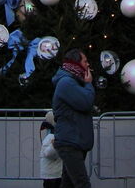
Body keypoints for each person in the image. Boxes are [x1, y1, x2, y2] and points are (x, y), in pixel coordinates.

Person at [51, 48, 95, 188]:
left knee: (68, 184)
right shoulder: (66, 83)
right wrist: (88, 84)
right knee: (82, 183)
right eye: (85, 61)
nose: (88, 64)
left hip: (75, 141)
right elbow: (86, 102)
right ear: (76, 63)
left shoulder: (73, 82)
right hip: (70, 142)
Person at [39, 109, 62, 188]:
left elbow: (49, 153)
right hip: (53, 173)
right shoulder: (53, 136)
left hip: (52, 174)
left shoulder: (53, 137)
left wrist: (53, 145)